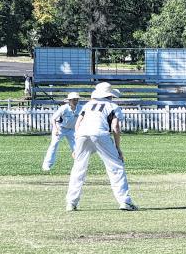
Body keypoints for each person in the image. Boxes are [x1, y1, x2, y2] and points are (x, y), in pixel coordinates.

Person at [65, 82, 137, 211]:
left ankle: (71, 202)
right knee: (116, 167)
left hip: (82, 134)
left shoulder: (87, 105)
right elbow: (115, 127)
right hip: (100, 134)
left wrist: (76, 147)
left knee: (78, 168)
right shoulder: (112, 106)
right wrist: (118, 148)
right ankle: (125, 201)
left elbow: (77, 125)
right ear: (109, 95)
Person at [42, 91, 81, 171]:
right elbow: (53, 118)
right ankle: (46, 165)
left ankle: (79, 165)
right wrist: (55, 129)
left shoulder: (80, 108)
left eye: (77, 99)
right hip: (60, 128)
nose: (75, 101)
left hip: (72, 130)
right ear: (69, 100)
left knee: (77, 147)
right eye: (74, 100)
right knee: (54, 145)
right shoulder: (64, 108)